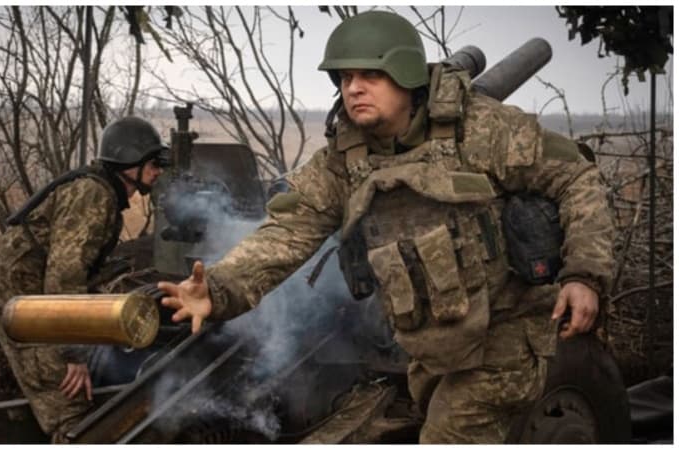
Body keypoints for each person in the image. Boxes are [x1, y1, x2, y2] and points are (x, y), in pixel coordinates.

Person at [158, 11, 616, 444]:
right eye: (344, 78)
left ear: (406, 76)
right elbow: (285, 235)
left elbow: (575, 177)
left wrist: (584, 275)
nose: (353, 88)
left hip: (507, 332)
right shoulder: (344, 161)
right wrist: (216, 289)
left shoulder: (481, 129)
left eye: (369, 76)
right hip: (433, 347)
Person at [0, 116, 168, 443]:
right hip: (22, 303)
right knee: (70, 408)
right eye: (153, 163)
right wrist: (74, 355)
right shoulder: (93, 194)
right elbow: (64, 275)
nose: (158, 172)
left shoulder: (102, 191)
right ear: (129, 162)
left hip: (37, 295)